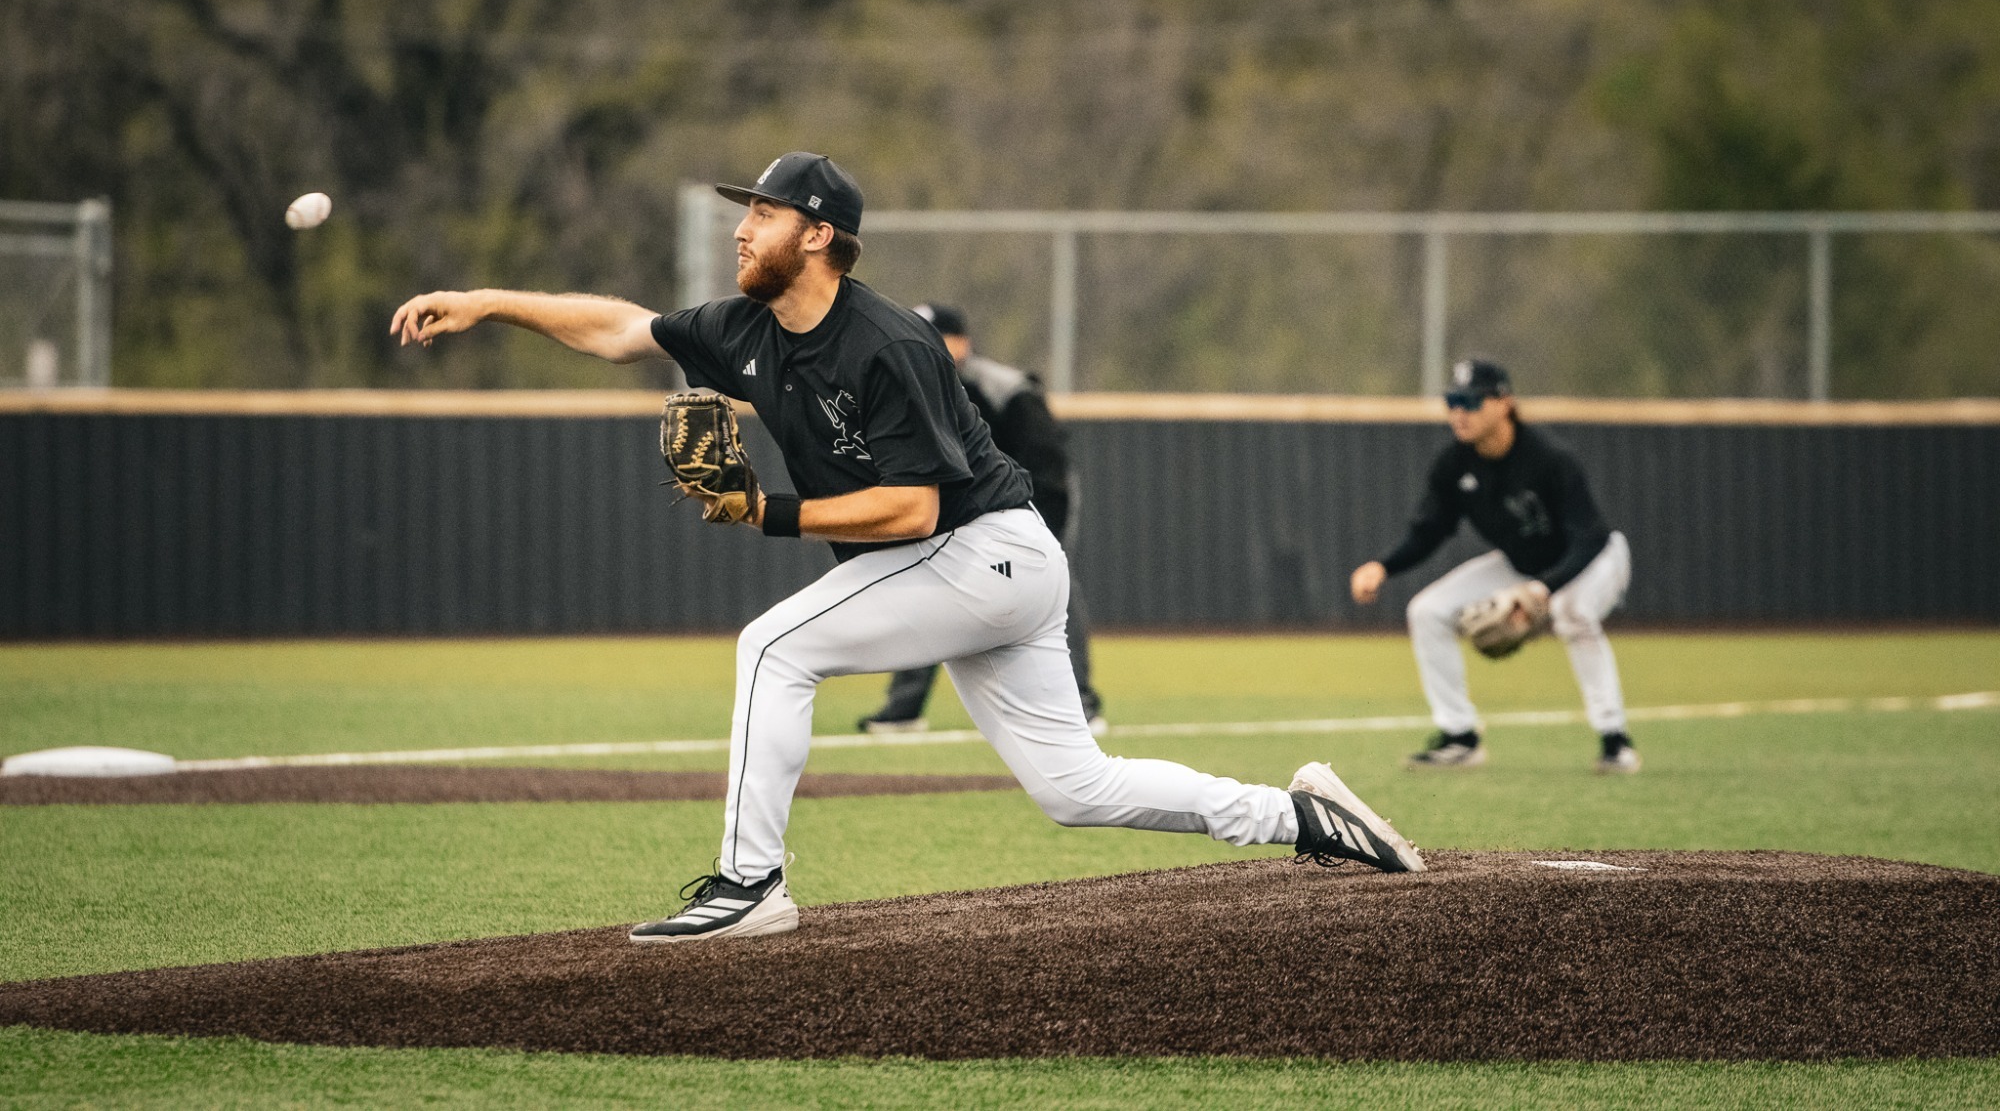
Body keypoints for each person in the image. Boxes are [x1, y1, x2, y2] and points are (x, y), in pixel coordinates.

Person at [391, 151, 1424, 943]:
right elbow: (622, 329)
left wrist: (769, 512)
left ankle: (750, 886)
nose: (740, 229)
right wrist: (489, 303)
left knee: (772, 648)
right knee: (1074, 789)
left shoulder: (884, 342)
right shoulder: (743, 327)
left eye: (760, 212)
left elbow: (913, 511)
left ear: (820, 234)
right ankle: (1300, 818)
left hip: (980, 552)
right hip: (987, 571)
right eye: (741, 211)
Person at [1349, 359, 1639, 774]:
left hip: (1594, 560)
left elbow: (1590, 537)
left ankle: (1616, 742)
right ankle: (1459, 737)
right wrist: (1383, 566)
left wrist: (1545, 588)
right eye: (1452, 401)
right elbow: (1429, 531)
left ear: (1504, 403)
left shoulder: (1551, 459)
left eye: (1470, 401)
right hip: (1522, 565)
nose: (1459, 413)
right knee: (1427, 611)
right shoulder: (1454, 465)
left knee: (1572, 613)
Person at [857, 302, 1106, 737]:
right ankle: (903, 709)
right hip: (964, 507)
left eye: (936, 335)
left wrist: (1042, 530)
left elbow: (1048, 465)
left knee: (1056, 589)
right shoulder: (915, 386)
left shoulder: (1003, 388)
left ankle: (1082, 706)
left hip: (1033, 501)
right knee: (928, 590)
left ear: (962, 341)